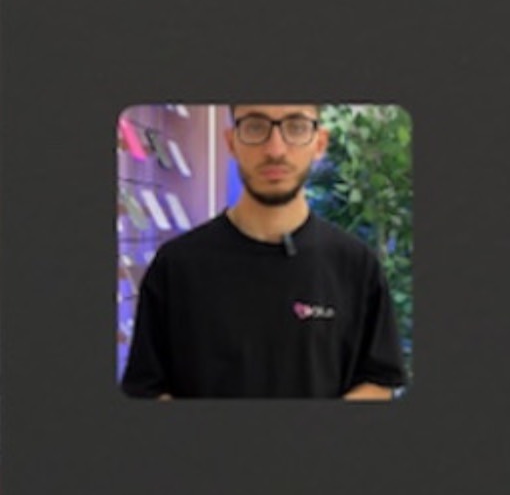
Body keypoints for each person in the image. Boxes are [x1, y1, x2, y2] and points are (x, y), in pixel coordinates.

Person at [120, 104, 404, 399]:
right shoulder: (175, 266)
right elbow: (147, 388)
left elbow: (379, 381)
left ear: (319, 143)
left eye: (296, 127)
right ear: (232, 142)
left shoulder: (357, 266)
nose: (275, 149)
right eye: (255, 127)